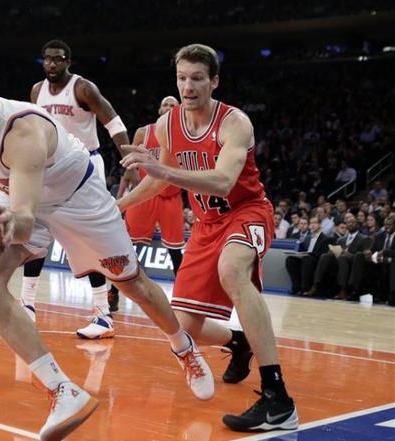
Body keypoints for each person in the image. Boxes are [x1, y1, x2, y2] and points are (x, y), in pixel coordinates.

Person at [0, 46, 212, 441]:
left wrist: (5, 221)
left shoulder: (20, 131)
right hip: (20, 193)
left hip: (78, 195)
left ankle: (184, 348)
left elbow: (23, 222)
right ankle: (63, 390)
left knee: (134, 285)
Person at [118, 43, 298, 432]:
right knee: (185, 326)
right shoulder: (169, 125)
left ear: (214, 81)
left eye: (197, 78)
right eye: (182, 78)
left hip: (246, 212)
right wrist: (117, 207)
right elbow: (155, 180)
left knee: (232, 270)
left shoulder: (235, 123)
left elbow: (223, 181)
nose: (188, 86)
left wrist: (162, 172)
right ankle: (238, 341)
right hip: (204, 225)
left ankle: (277, 397)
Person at [15, 39, 131, 338]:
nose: (53, 64)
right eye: (48, 59)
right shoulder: (36, 91)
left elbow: (114, 122)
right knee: (34, 231)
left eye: (59, 59)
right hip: (50, 167)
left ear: (68, 62)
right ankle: (27, 304)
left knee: (87, 239)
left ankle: (103, 314)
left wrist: (128, 158)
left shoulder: (83, 89)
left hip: (85, 165)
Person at [118, 96, 184, 271]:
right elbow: (129, 167)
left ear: (179, 111)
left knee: (175, 250)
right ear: (160, 110)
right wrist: (121, 198)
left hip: (171, 196)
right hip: (145, 194)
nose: (169, 107)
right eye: (165, 104)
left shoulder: (186, 135)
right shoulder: (143, 132)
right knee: (128, 244)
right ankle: (115, 290)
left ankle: (181, 291)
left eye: (173, 105)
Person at [285, 217, 331, 295]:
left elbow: (323, 255)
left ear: (320, 225)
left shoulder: (326, 239)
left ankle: (305, 288)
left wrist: (309, 254)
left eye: (315, 223)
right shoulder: (308, 238)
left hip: (317, 262)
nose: (312, 225)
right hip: (306, 259)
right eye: (311, 223)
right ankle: (296, 287)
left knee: (307, 259)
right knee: (290, 260)